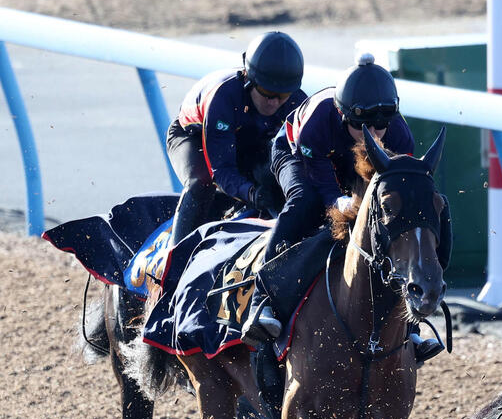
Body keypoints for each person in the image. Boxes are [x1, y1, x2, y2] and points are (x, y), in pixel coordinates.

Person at [241, 53, 443, 364]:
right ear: (343, 116)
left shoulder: (399, 135)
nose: (375, 134)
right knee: (303, 202)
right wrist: (337, 200)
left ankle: (410, 322)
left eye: (381, 125)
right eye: (364, 126)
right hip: (300, 154)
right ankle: (262, 300)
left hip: (348, 160)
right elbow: (320, 177)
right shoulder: (319, 121)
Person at [166, 31, 306, 246]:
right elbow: (221, 170)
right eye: (266, 92)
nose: (274, 103)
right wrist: (251, 193)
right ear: (249, 78)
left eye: (283, 96)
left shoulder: (297, 102)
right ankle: (175, 255)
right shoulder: (224, 97)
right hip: (193, 137)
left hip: (247, 137)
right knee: (201, 182)